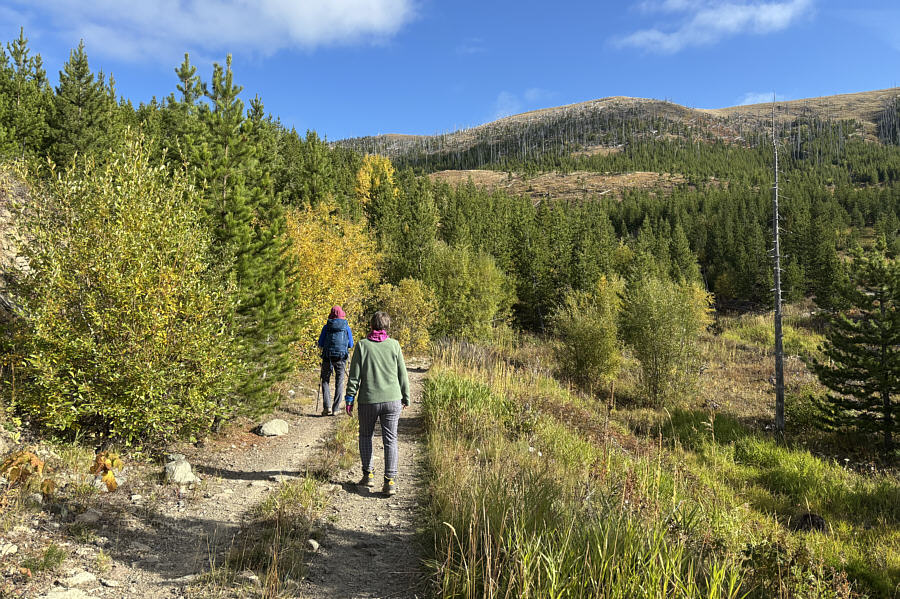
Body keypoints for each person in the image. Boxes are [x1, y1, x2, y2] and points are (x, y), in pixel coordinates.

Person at [344, 311, 410, 496]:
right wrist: (406, 396)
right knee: (391, 440)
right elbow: (402, 374)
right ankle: (390, 481)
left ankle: (368, 475)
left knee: (366, 436)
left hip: (368, 400)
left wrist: (349, 399)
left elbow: (355, 376)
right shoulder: (394, 345)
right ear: (387, 326)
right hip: (392, 400)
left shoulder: (362, 346)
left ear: (371, 325)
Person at [317, 305, 354, 416]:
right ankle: (336, 408)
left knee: (325, 381)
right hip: (341, 358)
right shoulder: (346, 327)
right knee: (339, 381)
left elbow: (320, 343)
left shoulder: (326, 327)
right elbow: (351, 344)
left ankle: (326, 407)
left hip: (327, 356)